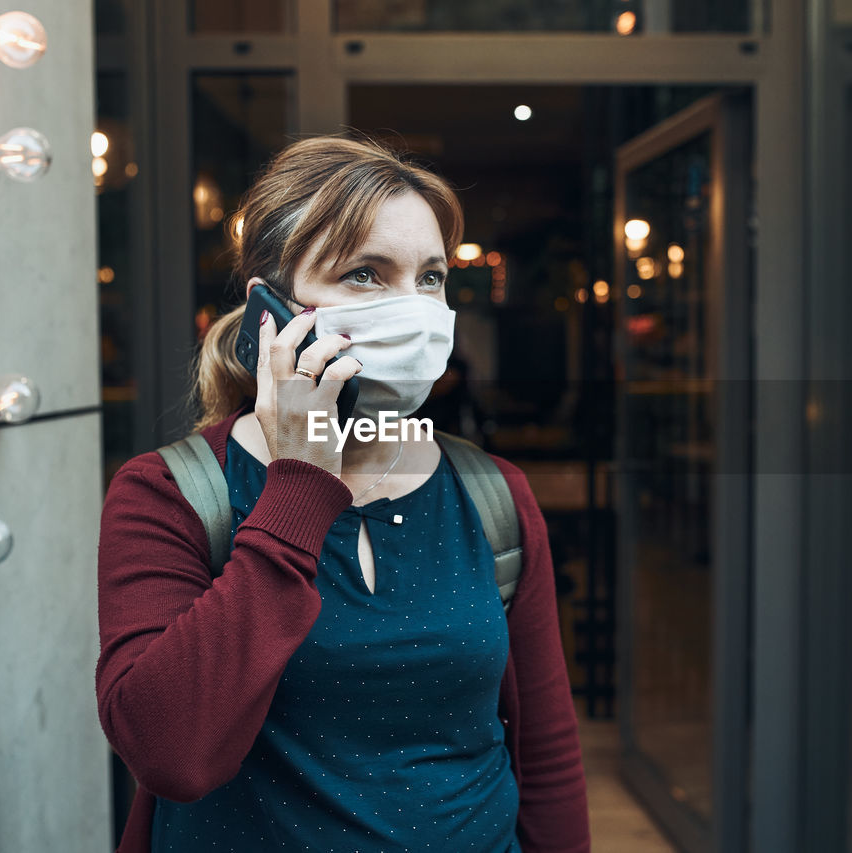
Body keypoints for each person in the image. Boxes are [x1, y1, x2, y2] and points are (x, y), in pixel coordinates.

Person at [95, 136, 590, 852]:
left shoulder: (493, 494)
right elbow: (171, 752)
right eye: (366, 274)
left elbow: (546, 754)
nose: (415, 309)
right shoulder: (168, 493)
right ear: (270, 312)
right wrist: (299, 489)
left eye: (430, 277)